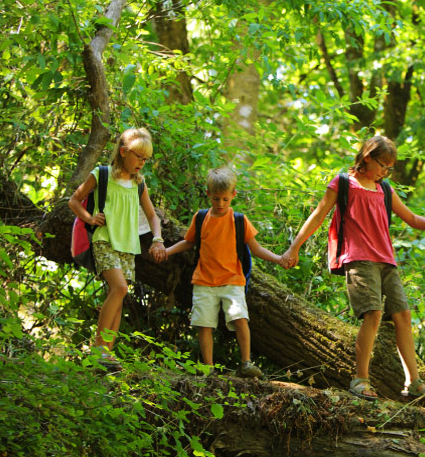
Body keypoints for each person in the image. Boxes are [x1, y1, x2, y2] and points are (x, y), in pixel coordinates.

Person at [281, 135, 425, 400]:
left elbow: (411, 218)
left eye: (390, 168)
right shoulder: (344, 184)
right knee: (373, 314)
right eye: (383, 164)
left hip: (386, 260)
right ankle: (360, 380)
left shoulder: (385, 189)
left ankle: (413, 382)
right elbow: (318, 215)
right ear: (367, 157)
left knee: (403, 316)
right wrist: (294, 247)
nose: (385, 171)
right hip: (358, 257)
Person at [165, 167, 284, 378]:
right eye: (216, 199)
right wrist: (166, 251)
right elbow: (188, 242)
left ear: (233, 196)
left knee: (240, 319)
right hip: (204, 280)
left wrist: (279, 259)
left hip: (232, 281)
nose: (220, 204)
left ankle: (246, 363)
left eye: (225, 199)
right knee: (204, 324)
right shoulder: (201, 218)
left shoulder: (239, 220)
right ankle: (208, 367)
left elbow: (256, 249)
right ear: (208, 194)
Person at [69, 127, 167, 368]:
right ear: (123, 152)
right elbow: (74, 200)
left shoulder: (139, 185)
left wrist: (157, 238)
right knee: (120, 287)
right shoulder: (101, 175)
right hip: (104, 240)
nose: (142, 163)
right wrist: (90, 219)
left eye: (146, 159)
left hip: (128, 246)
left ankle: (107, 355)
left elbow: (153, 216)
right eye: (138, 157)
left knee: (120, 294)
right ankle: (98, 350)